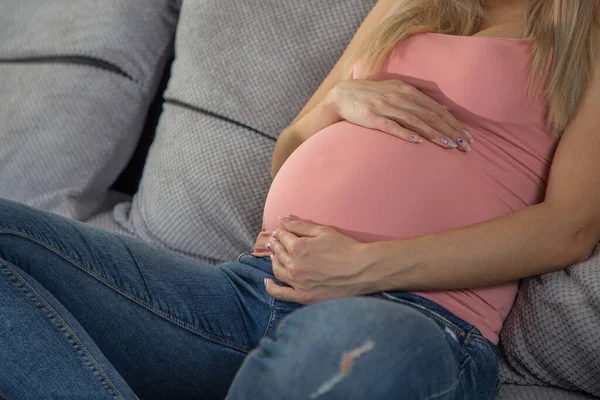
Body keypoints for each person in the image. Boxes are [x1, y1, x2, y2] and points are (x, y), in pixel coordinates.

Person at [1, 0, 599, 399]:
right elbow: (289, 147)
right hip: (250, 290)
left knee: (350, 345)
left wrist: (367, 267)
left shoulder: (587, 35)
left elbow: (570, 227)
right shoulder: (408, 5)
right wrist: (342, 104)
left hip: (417, 317)